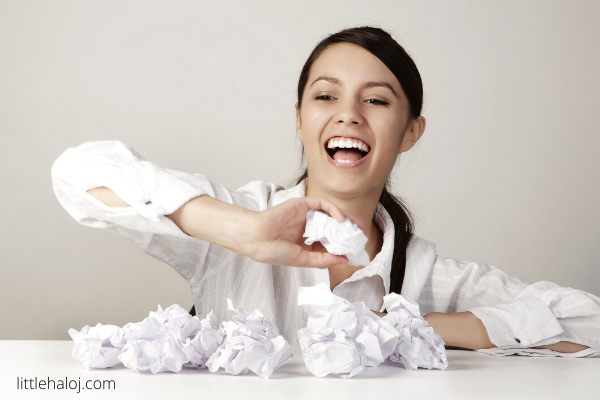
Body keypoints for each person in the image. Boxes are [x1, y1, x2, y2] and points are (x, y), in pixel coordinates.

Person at [51, 26, 599, 357]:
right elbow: (76, 174)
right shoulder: (232, 226)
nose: (349, 115)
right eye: (326, 96)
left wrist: (414, 327)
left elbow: (587, 321)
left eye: (377, 101)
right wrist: (242, 231)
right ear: (299, 119)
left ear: (411, 132)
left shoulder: (427, 277)